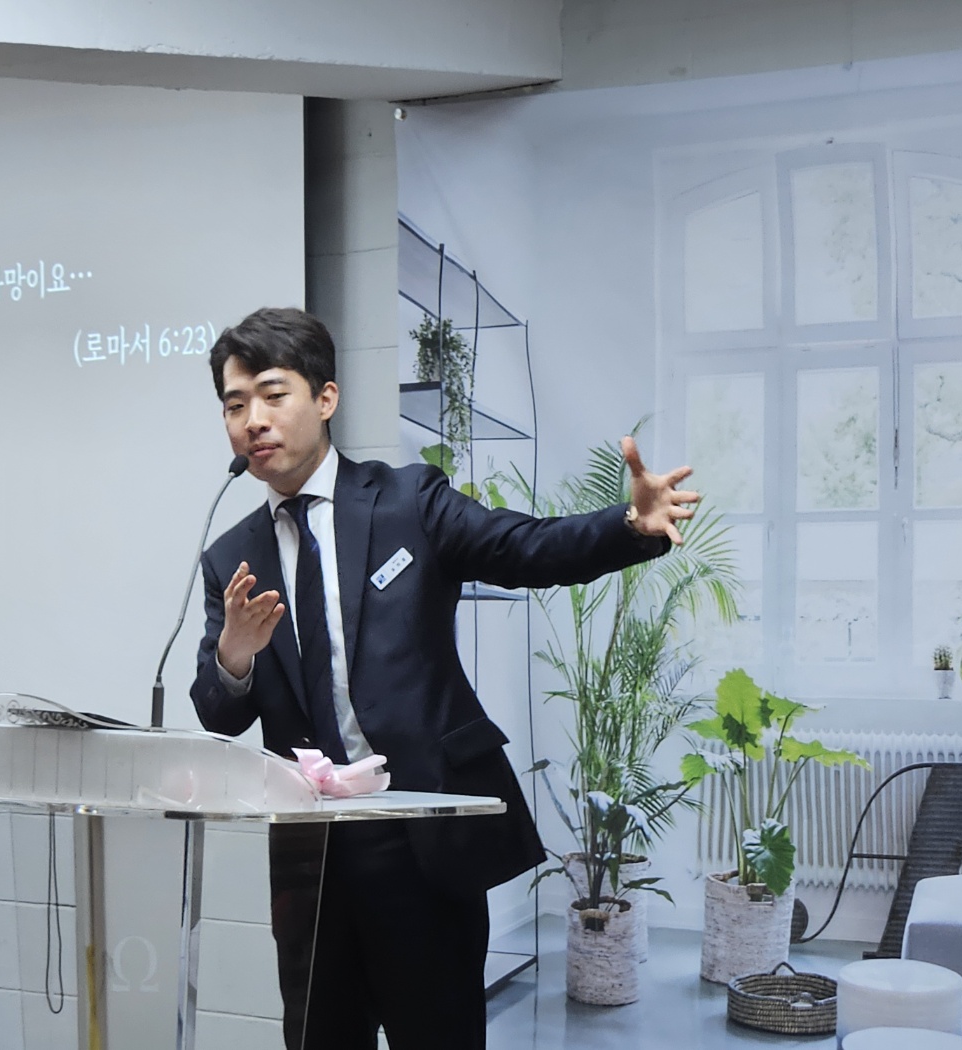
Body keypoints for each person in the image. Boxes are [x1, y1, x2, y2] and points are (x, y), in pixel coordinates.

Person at [190, 306, 699, 1050]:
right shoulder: (232, 558)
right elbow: (218, 714)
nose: (253, 421)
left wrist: (629, 524)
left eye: (273, 395)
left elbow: (526, 548)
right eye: (235, 406)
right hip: (312, 859)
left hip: (419, 833)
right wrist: (235, 652)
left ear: (325, 398)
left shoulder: (407, 502)